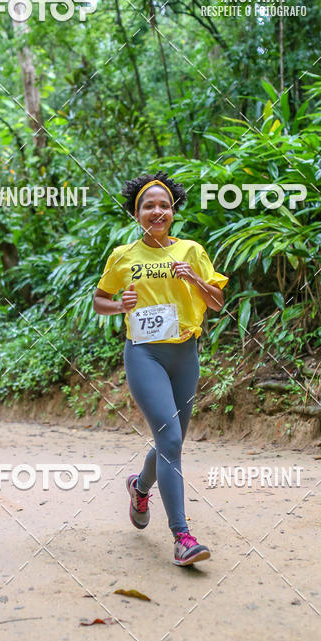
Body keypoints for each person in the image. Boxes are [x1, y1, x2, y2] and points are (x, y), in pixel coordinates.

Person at [93, 172, 228, 566]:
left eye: (164, 205)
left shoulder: (191, 250)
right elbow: (101, 299)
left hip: (185, 354)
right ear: (137, 214)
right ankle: (182, 536)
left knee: (171, 443)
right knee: (170, 440)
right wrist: (121, 305)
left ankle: (140, 487)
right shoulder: (123, 256)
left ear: (173, 212)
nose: (157, 211)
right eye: (148, 205)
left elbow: (217, 303)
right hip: (144, 354)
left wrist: (196, 281)